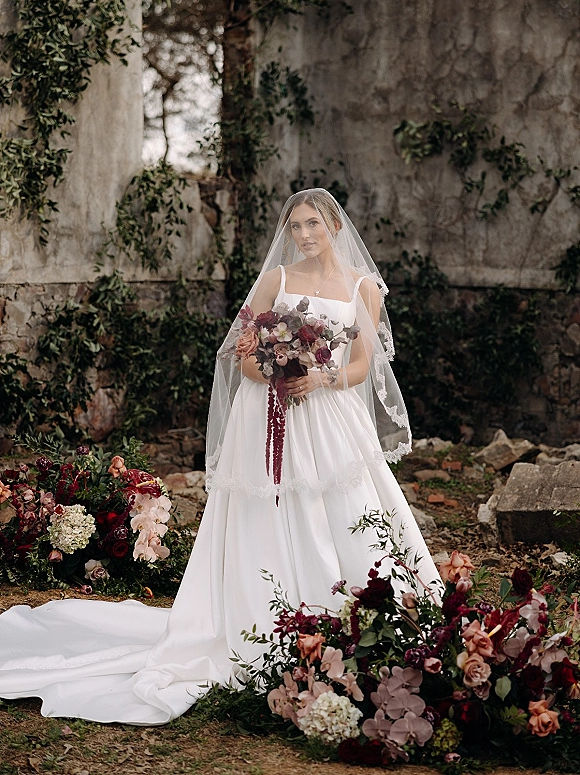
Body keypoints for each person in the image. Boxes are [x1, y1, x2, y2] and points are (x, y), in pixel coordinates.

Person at [0, 189, 440, 725]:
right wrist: (276, 375)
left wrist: (320, 376)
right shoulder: (276, 281)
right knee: (267, 513)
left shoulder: (364, 288)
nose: (303, 235)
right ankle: (261, 622)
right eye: (295, 226)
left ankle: (345, 617)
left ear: (336, 228)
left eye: (313, 226)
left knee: (345, 512)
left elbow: (363, 365)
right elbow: (242, 349)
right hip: (267, 412)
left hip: (329, 414)